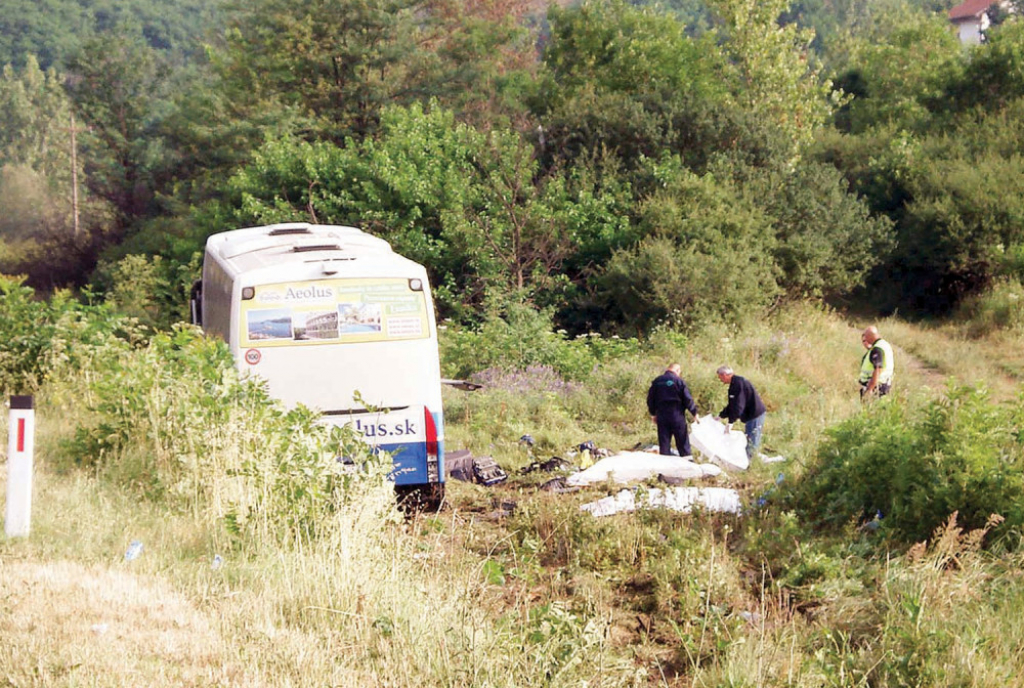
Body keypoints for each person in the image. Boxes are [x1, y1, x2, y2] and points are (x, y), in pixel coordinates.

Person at [646, 363, 700, 457]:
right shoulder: (678, 381)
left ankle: (664, 468)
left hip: (662, 415)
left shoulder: (657, 381)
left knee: (664, 442)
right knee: (682, 441)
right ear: (678, 370)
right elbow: (687, 399)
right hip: (677, 414)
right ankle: (687, 464)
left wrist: (653, 414)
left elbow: (650, 399)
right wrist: (694, 413)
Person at [715, 366, 767, 460]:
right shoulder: (734, 384)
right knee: (748, 438)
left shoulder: (739, 384)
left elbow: (738, 406)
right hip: (749, 415)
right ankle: (748, 460)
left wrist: (730, 422)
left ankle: (750, 463)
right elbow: (732, 404)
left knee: (752, 439)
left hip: (755, 414)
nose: (720, 380)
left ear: (725, 375)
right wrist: (721, 415)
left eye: (720, 377)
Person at [859, 326, 895, 399]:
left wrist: (870, 389)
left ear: (870, 336)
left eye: (866, 337)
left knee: (869, 409)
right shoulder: (884, 345)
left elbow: (878, 369)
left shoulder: (877, 348)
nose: (865, 340)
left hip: (876, 387)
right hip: (884, 384)